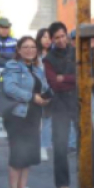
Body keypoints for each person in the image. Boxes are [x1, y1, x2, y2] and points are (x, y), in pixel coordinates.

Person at [43, 22, 94, 188]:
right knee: (60, 144)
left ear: (67, 35)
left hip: (80, 101)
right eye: (57, 37)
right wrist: (71, 79)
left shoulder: (78, 53)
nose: (61, 40)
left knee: (89, 141)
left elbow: (85, 76)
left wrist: (65, 77)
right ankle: (62, 184)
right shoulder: (48, 59)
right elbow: (54, 83)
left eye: (63, 36)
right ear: (52, 39)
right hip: (60, 103)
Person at [1, 36, 51, 188]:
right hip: (17, 115)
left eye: (32, 47)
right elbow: (9, 88)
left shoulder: (37, 68)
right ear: (19, 50)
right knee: (17, 153)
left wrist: (46, 97)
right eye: (26, 47)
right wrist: (32, 97)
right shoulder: (13, 66)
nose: (30, 50)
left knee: (29, 152)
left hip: (33, 114)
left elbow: (43, 87)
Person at [36, 27, 54, 162]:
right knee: (34, 120)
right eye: (44, 37)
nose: (47, 40)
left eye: (49, 37)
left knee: (47, 120)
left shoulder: (55, 54)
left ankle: (44, 147)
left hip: (51, 91)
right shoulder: (34, 54)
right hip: (36, 91)